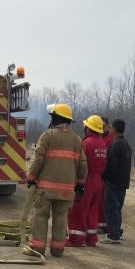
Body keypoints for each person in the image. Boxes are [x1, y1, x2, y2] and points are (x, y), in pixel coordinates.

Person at [26, 103, 87, 257]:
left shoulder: (48, 136)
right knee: (61, 218)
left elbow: (38, 159)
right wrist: (80, 183)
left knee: (41, 216)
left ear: (55, 118)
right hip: (67, 190)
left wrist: (31, 177)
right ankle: (58, 249)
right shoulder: (76, 140)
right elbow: (82, 164)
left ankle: (37, 249)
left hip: (46, 189)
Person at [66, 115, 107, 247]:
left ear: (88, 128)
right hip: (98, 181)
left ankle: (76, 239)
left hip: (86, 180)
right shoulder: (102, 143)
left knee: (78, 210)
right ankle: (91, 238)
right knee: (92, 211)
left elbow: (80, 163)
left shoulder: (86, 143)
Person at [101, 119, 132, 244]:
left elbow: (111, 165)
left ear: (114, 129)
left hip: (112, 182)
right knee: (118, 208)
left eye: (110, 127)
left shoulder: (115, 145)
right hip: (123, 183)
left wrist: (104, 177)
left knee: (112, 208)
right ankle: (117, 232)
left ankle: (113, 235)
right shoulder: (126, 144)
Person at [97, 117, 113, 234]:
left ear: (109, 127)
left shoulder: (110, 140)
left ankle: (105, 225)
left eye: (104, 126)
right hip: (98, 175)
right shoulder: (99, 139)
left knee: (104, 202)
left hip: (105, 176)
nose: (102, 129)